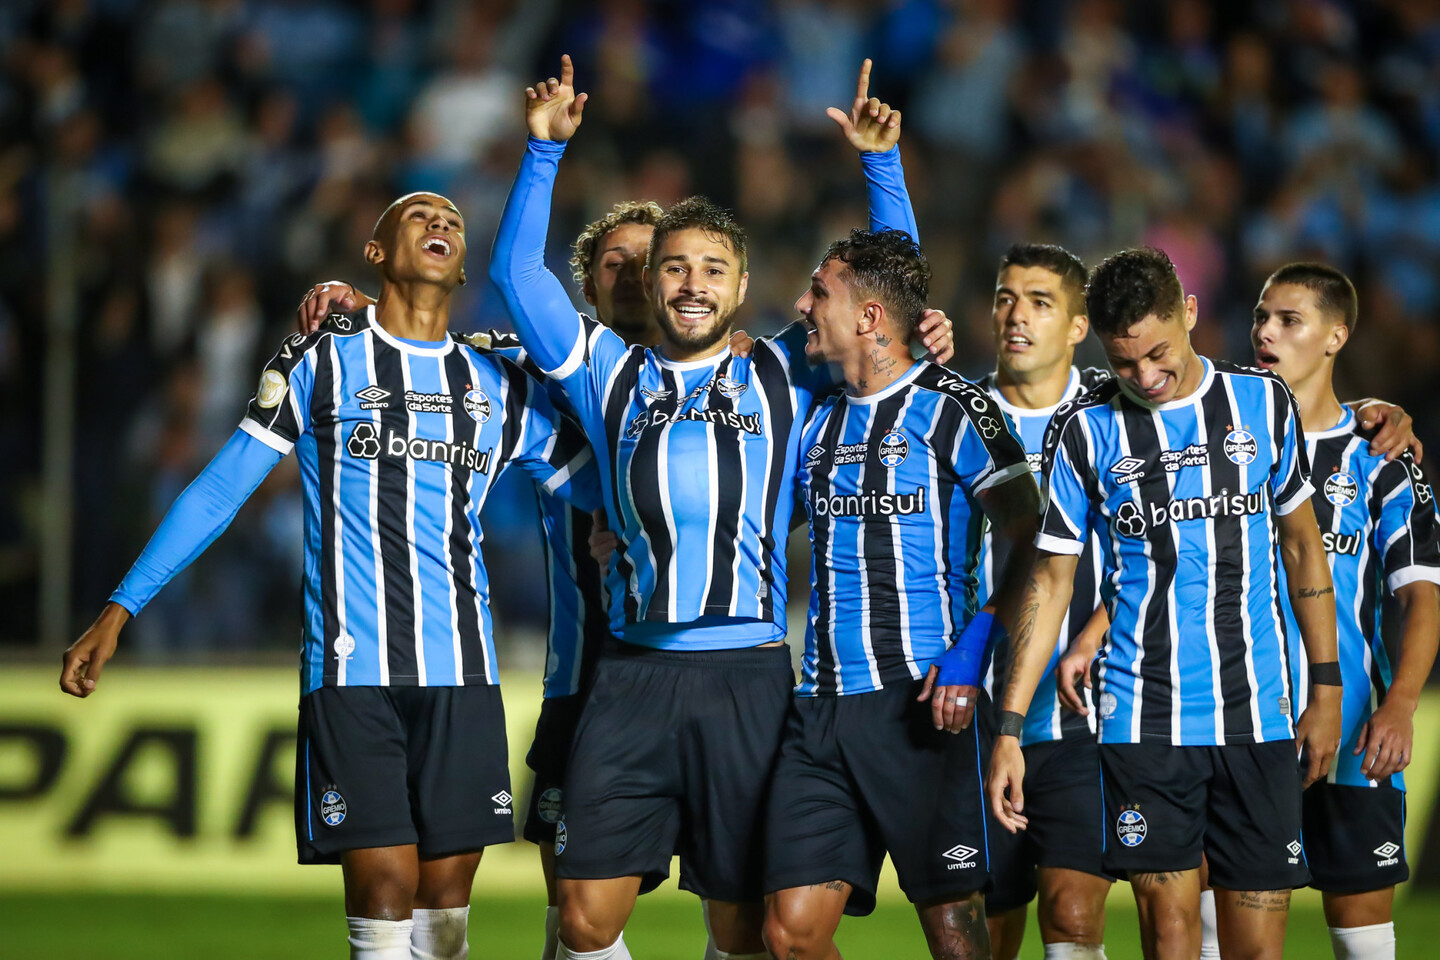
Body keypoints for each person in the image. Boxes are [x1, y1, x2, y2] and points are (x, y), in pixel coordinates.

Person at [489, 55, 951, 960]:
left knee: (743, 927)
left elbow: (884, 298)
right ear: (651, 286)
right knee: (582, 918)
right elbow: (517, 275)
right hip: (630, 677)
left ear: (741, 288)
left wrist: (880, 166)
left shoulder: (782, 371)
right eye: (674, 269)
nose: (692, 283)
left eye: (713, 268)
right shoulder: (605, 373)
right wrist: (542, 154)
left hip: (748, 676)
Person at [60, 192, 602, 960]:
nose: (441, 225)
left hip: (465, 672)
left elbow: (600, 484)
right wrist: (120, 608)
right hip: (354, 672)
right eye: (417, 216)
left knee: (445, 909)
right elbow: (222, 487)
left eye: (452, 220)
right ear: (375, 254)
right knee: (383, 891)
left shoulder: (497, 380)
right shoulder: (320, 359)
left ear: (465, 263)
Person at [296, 197, 669, 960]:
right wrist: (367, 303)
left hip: (715, 667)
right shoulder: (541, 362)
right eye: (612, 263)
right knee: (579, 912)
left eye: (649, 260)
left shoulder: (743, 373)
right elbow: (425, 346)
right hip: (588, 680)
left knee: (749, 913)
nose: (631, 275)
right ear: (585, 291)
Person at [989, 246, 1342, 960]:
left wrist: (1327, 686)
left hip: (1257, 714)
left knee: (1256, 950)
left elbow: (1304, 546)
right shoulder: (1088, 432)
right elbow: (1051, 582)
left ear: (1190, 313)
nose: (1145, 377)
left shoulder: (1262, 404)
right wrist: (1010, 727)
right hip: (1142, 721)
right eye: (1124, 364)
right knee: (1172, 938)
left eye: (1158, 355)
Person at [760, 227, 1039, 959]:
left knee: (954, 935)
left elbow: (1029, 533)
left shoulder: (953, 406)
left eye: (818, 292)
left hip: (923, 703)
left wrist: (973, 649)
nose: (801, 305)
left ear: (869, 318)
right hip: (819, 709)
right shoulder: (817, 421)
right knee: (789, 933)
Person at [1248, 262, 1440, 960]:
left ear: (1336, 337)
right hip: (1242, 728)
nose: (1266, 332)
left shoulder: (1381, 459)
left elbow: (1422, 595)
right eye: (1261, 317)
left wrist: (1400, 705)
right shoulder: (1223, 443)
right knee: (1228, 939)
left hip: (1356, 729)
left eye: (1288, 320)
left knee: (1364, 945)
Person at [972, 243, 1114, 960]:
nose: (1016, 315)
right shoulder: (954, 416)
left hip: (1082, 713)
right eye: (1005, 297)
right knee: (987, 928)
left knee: (1073, 914)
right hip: (971, 712)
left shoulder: (1115, 417)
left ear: (1079, 326)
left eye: (1039, 301)